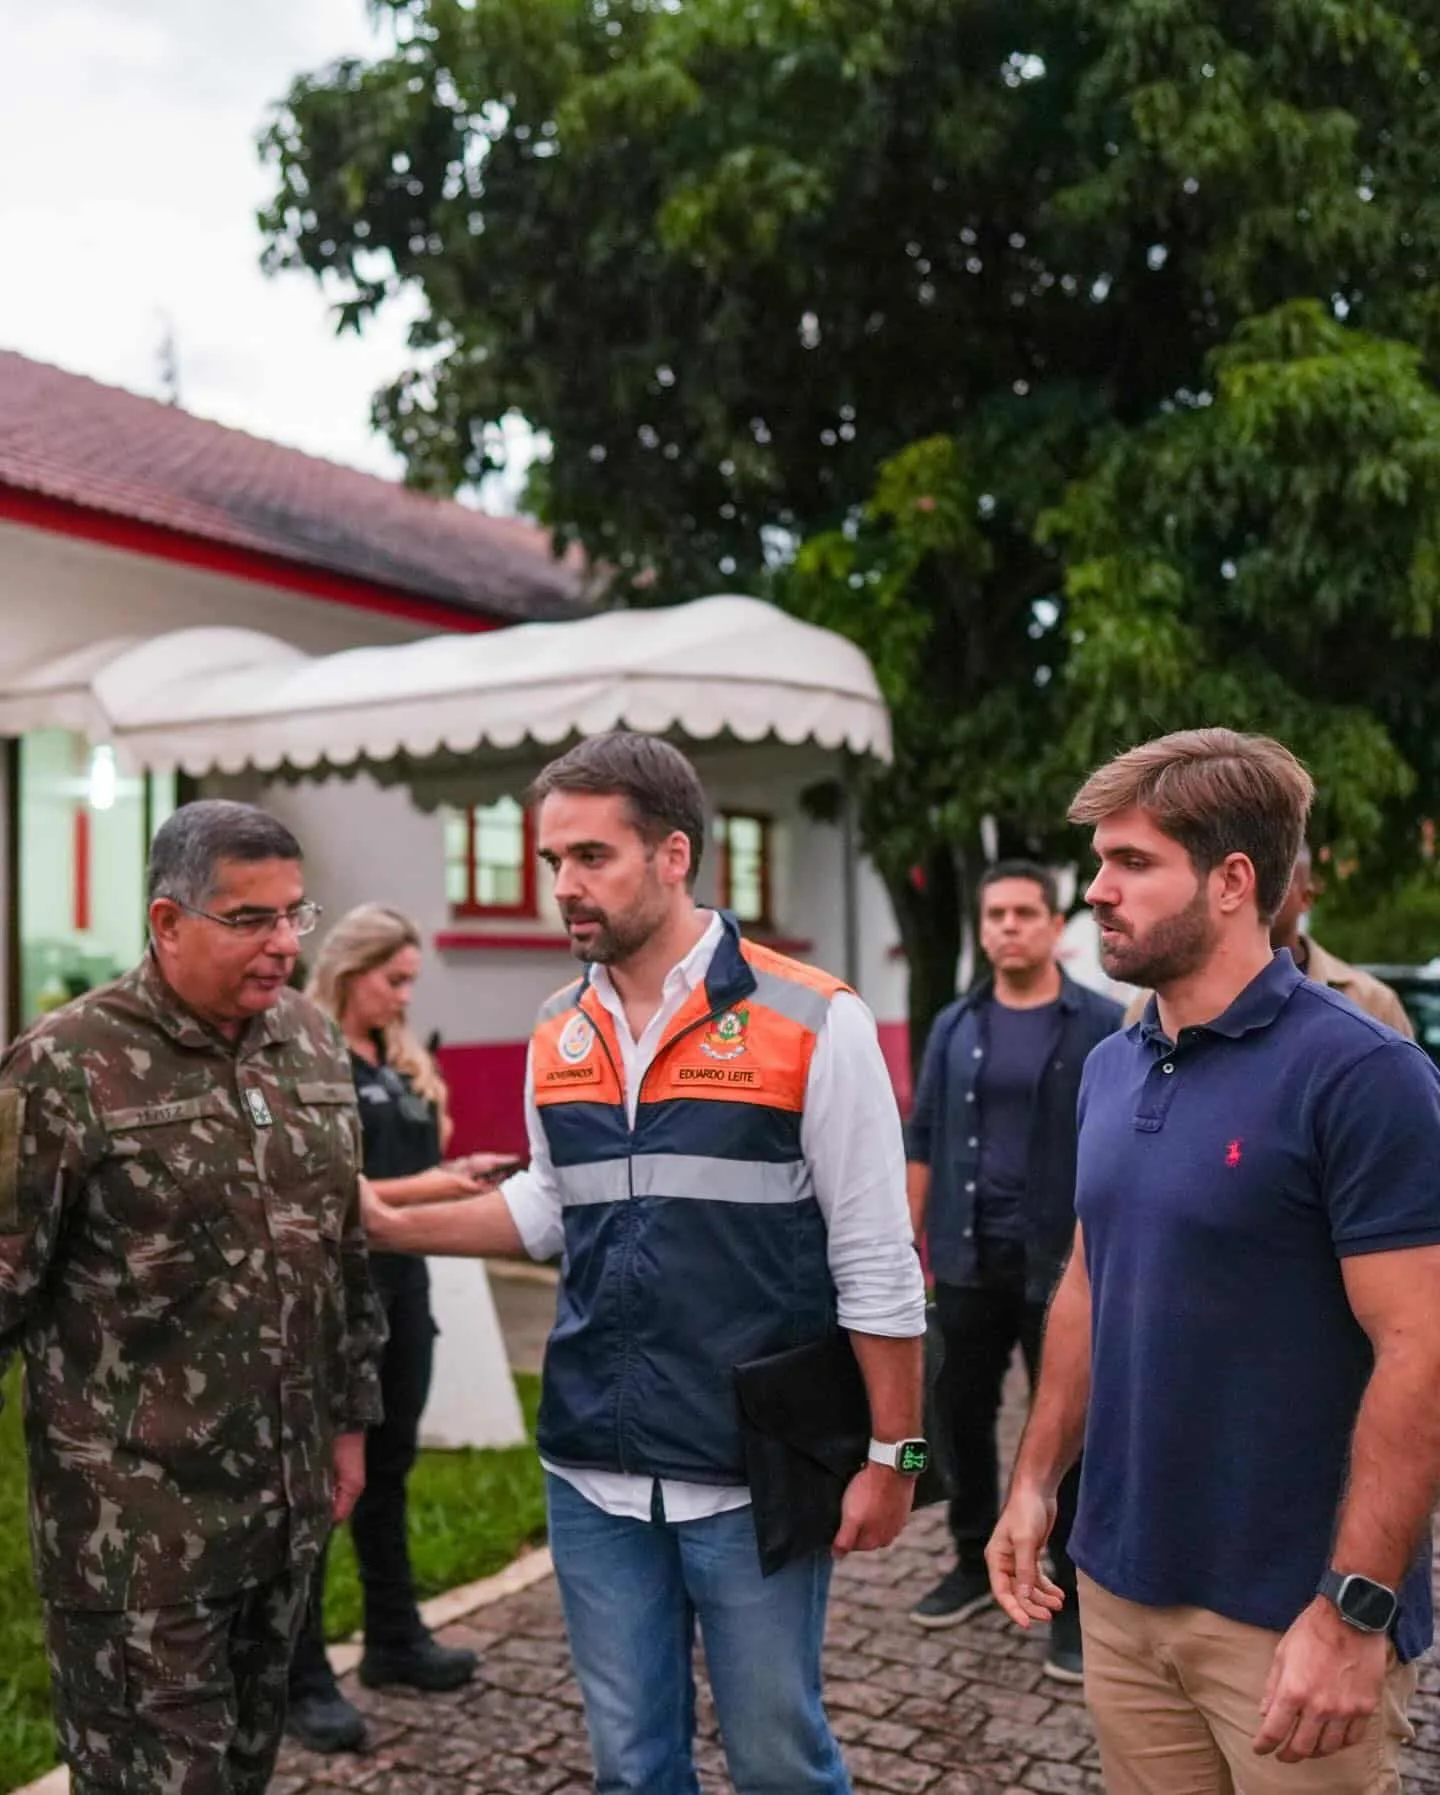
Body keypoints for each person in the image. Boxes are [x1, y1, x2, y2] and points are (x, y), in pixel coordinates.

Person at [364, 730, 927, 1795]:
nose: (564, 889)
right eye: (550, 864)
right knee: (630, 1766)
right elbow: (547, 1202)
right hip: (592, 1466)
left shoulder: (812, 1017)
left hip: (747, 1469)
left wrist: (894, 1457)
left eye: (592, 857)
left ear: (675, 855)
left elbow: (876, 1255)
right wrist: (388, 1224)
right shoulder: (557, 1026)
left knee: (778, 1760)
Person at [987, 728, 1440, 1795]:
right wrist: (1036, 1481)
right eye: (1098, 861)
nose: (1095, 891)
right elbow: (1092, 1283)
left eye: (1133, 862)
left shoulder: (1364, 1073)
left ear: (1234, 880)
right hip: (1121, 1587)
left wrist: (1355, 1605)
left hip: (1293, 1616)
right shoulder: (1112, 1061)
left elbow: (1420, 1349)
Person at [0, 800, 386, 1795]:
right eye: (251, 918)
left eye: (295, 914)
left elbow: (343, 1252)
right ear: (168, 922)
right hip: (135, 1537)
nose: (285, 944)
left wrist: (349, 1424)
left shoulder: (309, 1041)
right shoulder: (64, 1065)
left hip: (282, 1512)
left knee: (244, 1773)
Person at [287, 904, 511, 1752]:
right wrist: (446, 1186)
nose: (405, 996)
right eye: (395, 979)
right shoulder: (311, 1053)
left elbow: (398, 1178)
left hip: (405, 1289)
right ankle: (300, 1676)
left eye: (413, 980)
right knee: (321, 1491)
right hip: (337, 1296)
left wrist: (447, 1175)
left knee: (391, 1473)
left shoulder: (399, 1057)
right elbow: (341, 1188)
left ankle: (393, 1638)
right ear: (351, 968)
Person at [905, 861, 1121, 1682]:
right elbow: (921, 1135)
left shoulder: (1100, 1021)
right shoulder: (955, 1025)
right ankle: (969, 1557)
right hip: (966, 1257)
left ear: (1054, 922)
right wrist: (904, 1246)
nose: (1007, 926)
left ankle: (1069, 1590)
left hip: (1063, 1264)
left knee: (1069, 1427)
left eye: (1024, 912)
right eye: (994, 913)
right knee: (958, 1412)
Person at [1270, 843, 1415, 1034]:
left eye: (1273, 880)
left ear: (1306, 898)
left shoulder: (1372, 1003)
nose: (1254, 892)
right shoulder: (1220, 993)